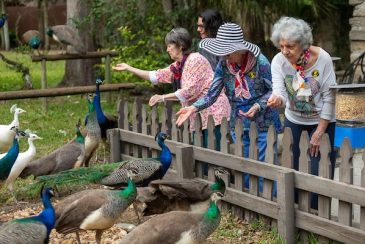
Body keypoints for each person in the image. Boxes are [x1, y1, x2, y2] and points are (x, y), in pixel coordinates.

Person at [176, 23, 282, 194]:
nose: (224, 57)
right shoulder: (224, 65)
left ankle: (270, 205)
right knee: (244, 163)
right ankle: (248, 202)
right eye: (222, 53)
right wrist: (193, 108)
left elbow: (274, 90)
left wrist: (258, 105)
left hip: (264, 120)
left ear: (240, 50)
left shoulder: (260, 62)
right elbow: (212, 93)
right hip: (239, 121)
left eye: (228, 53)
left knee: (266, 165)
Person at [113, 27, 230, 150]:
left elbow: (189, 91)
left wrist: (162, 97)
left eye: (170, 46)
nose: (167, 49)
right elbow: (155, 75)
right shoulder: (178, 65)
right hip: (197, 115)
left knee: (213, 155)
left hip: (214, 113)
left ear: (180, 45)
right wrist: (129, 68)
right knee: (201, 155)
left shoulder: (195, 60)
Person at [267, 16, 337, 209]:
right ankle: (295, 219)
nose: (284, 51)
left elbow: (330, 98)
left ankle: (317, 222)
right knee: (292, 171)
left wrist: (319, 132)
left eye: (290, 46)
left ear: (303, 44)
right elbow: (279, 91)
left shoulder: (322, 59)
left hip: (322, 122)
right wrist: (277, 100)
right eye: (281, 45)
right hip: (294, 121)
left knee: (318, 173)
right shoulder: (278, 61)